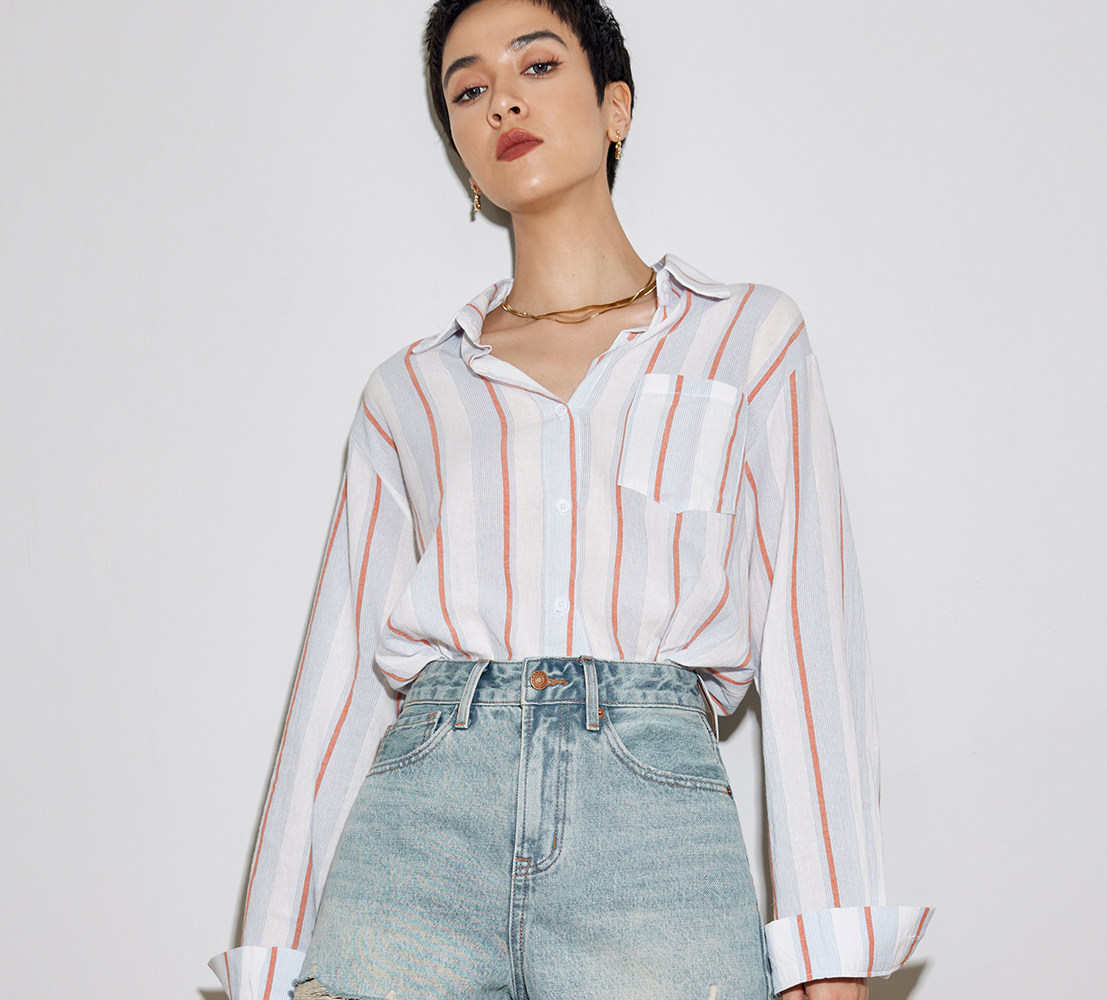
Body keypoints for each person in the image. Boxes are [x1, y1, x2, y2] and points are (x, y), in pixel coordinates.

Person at [210, 1, 931, 997]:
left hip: (653, 839)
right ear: (462, 150)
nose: (501, 100)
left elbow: (812, 645)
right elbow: (336, 683)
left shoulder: (747, 341)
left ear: (615, 106)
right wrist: (272, 958)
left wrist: (831, 950)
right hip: (417, 837)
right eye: (468, 89)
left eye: (537, 65)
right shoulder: (408, 392)